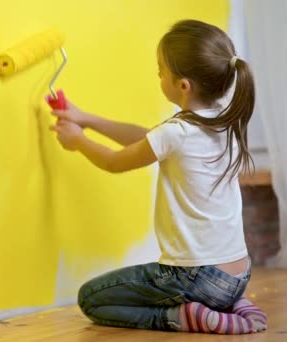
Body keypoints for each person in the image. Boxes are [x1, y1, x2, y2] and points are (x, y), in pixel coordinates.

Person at [49, 19, 267, 334]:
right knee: (176, 289)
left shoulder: (177, 132)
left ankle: (183, 317)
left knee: (91, 299)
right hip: (238, 275)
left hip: (196, 277)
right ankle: (230, 304)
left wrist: (78, 141)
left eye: (161, 70)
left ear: (183, 86)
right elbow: (147, 140)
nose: (158, 76)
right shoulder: (223, 124)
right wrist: (85, 119)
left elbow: (113, 162)